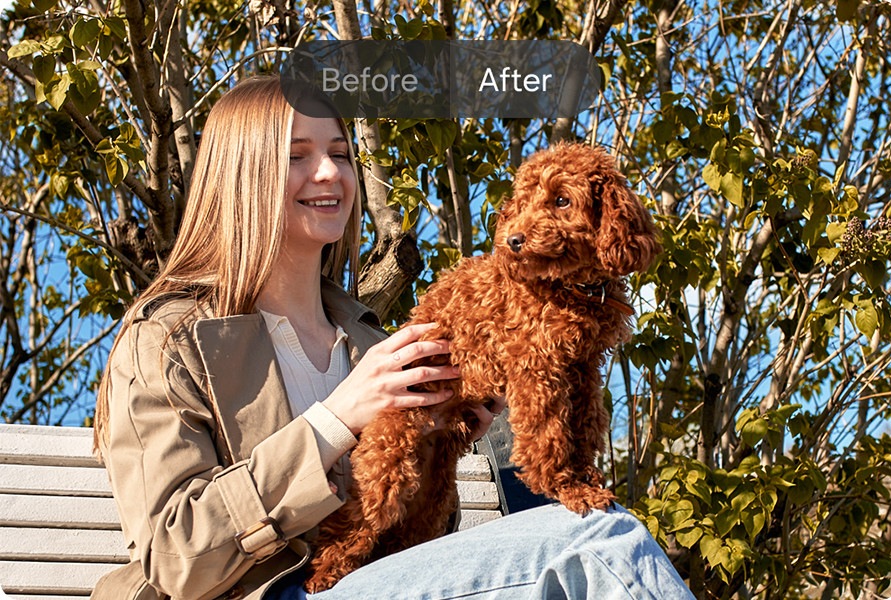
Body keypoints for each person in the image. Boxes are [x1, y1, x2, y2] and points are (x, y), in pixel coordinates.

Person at [92, 75, 694, 600]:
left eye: (340, 153)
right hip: (269, 592)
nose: (328, 172)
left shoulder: (367, 334)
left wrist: (445, 435)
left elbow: (414, 527)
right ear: (242, 177)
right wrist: (336, 419)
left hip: (377, 582)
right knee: (598, 544)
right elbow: (175, 556)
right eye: (298, 155)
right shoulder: (168, 341)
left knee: (601, 534)